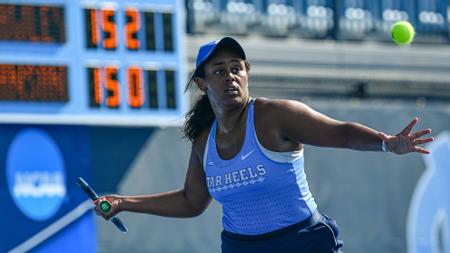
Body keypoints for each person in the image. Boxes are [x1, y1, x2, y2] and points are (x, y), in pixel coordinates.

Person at [95, 37, 434, 252]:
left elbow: (341, 133)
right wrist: (124, 202)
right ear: (202, 81)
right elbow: (191, 201)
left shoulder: (275, 116)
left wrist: (387, 143)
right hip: (241, 248)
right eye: (219, 71)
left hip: (303, 243)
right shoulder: (203, 141)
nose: (230, 76)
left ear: (247, 74)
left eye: (236, 68)